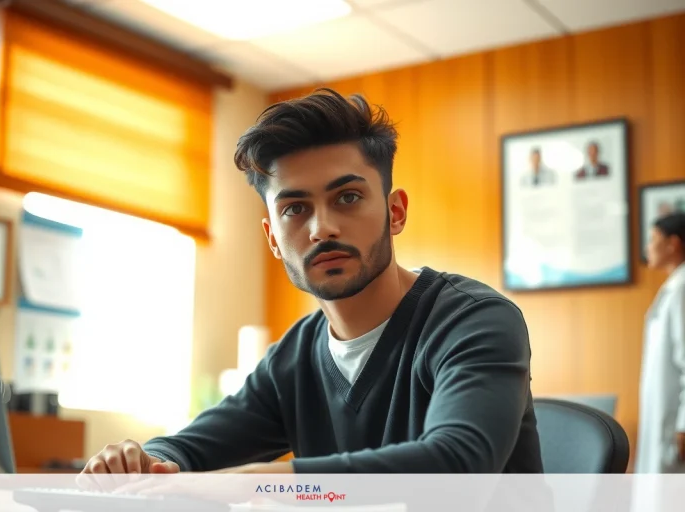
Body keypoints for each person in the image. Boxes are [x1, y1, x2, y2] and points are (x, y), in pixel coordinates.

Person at [81, 88, 543, 475]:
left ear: (395, 211)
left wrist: (264, 483)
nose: (322, 228)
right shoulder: (296, 355)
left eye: (347, 197)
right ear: (274, 239)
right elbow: (191, 448)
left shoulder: (475, 321)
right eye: (294, 209)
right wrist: (147, 464)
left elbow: (457, 463)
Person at [636, 212, 685, 473]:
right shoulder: (674, 287)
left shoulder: (682, 289)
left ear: (673, 243)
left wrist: (683, 424)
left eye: (653, 239)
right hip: (664, 416)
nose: (647, 247)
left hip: (675, 423)